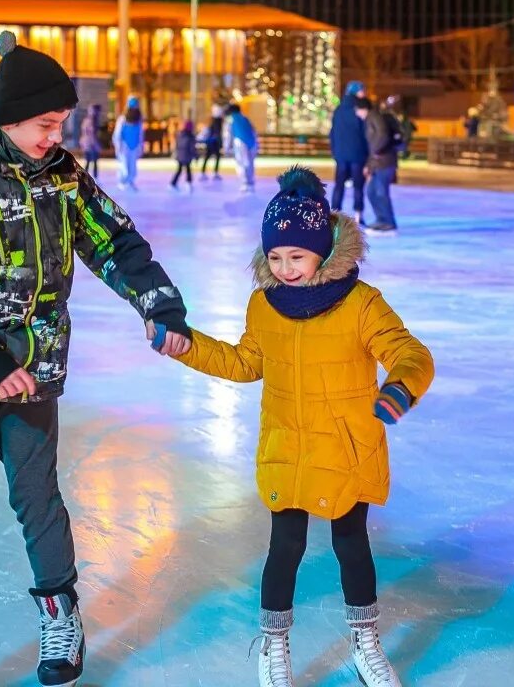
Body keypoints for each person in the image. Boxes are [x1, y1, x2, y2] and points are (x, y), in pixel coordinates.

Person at [0, 30, 192, 687]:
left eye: (61, 123)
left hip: (37, 366)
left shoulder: (61, 178)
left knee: (37, 493)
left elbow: (118, 244)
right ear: (7, 117)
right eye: (45, 124)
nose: (56, 135)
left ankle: (62, 614)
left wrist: (159, 305)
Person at [154, 166, 434, 687]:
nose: (285, 268)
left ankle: (365, 643)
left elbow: (409, 352)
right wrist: (186, 344)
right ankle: (275, 646)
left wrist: (400, 386)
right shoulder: (265, 305)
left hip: (346, 449)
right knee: (284, 548)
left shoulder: (360, 303)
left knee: (353, 545)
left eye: (296, 256)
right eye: (275, 257)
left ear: (323, 251)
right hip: (288, 446)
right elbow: (245, 363)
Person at [355, 97, 400, 233]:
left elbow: (382, 135)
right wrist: (369, 164)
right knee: (371, 191)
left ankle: (388, 222)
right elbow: (373, 144)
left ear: (362, 109)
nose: (356, 113)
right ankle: (381, 219)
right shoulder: (371, 119)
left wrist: (376, 151)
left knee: (380, 192)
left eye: (357, 110)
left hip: (385, 162)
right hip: (378, 162)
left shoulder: (374, 117)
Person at [328, 81, 369, 218]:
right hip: (358, 154)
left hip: (341, 155)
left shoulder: (338, 110)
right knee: (358, 186)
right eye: (362, 90)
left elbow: (332, 133)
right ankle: (359, 214)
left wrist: (335, 151)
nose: (364, 93)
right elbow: (365, 133)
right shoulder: (361, 109)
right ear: (356, 92)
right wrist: (367, 153)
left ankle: (334, 214)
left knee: (339, 185)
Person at [112, 95, 144, 191]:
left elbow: (140, 134)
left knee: (132, 166)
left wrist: (140, 146)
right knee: (124, 165)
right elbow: (117, 134)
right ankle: (122, 182)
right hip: (124, 146)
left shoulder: (138, 120)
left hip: (134, 146)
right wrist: (118, 146)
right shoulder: (123, 119)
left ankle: (130, 181)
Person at [226, 103, 258, 193]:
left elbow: (228, 134)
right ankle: (250, 182)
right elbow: (253, 131)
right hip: (251, 142)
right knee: (250, 163)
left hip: (240, 142)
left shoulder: (231, 119)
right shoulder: (245, 118)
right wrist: (255, 144)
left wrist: (226, 147)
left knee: (241, 162)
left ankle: (245, 183)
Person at [169, 119, 198, 193]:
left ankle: (173, 183)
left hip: (180, 156)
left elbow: (177, 145)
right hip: (187, 156)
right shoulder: (190, 136)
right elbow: (192, 148)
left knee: (179, 170)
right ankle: (188, 183)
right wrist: (196, 156)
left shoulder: (180, 134)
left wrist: (176, 153)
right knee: (188, 170)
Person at [199, 104, 224, 180]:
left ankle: (204, 173)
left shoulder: (212, 120)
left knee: (208, 157)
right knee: (215, 157)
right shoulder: (218, 121)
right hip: (214, 143)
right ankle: (213, 173)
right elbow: (217, 133)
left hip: (211, 142)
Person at [78, 103, 103, 177]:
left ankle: (85, 177)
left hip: (88, 143)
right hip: (91, 144)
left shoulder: (87, 120)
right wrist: (96, 145)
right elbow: (91, 134)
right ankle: (89, 177)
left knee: (89, 161)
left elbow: (84, 133)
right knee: (92, 161)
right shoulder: (92, 121)